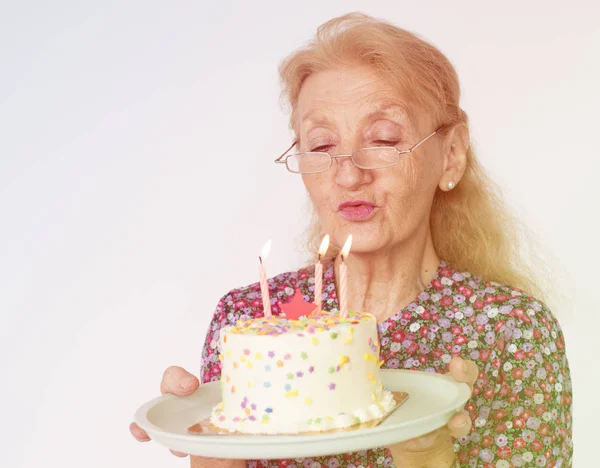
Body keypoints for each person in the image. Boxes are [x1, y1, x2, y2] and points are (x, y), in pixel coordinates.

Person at [129, 13, 573, 468]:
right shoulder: (248, 321)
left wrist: (429, 454)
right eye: (321, 146)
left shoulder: (509, 330)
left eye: (382, 138)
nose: (348, 173)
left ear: (451, 156)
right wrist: (209, 442)